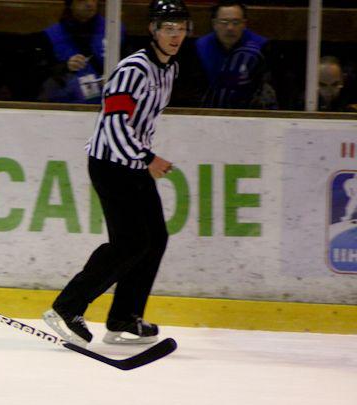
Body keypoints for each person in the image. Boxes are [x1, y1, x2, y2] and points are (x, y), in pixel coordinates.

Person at [43, 0, 190, 346]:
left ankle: (124, 316)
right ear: (153, 30)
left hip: (133, 164)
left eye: (181, 29)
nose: (175, 35)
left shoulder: (170, 69)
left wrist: (142, 158)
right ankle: (67, 307)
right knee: (130, 242)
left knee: (154, 238)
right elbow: (114, 123)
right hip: (110, 164)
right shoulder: (133, 69)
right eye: (168, 28)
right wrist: (148, 157)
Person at [39, 0, 125, 104]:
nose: (90, 4)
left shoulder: (114, 29)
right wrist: (65, 67)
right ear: (70, 4)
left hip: (108, 101)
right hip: (65, 104)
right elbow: (42, 75)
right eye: (82, 0)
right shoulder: (50, 35)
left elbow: (128, 65)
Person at [195, 0, 276, 109]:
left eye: (236, 22)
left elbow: (266, 92)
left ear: (244, 24)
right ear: (214, 24)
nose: (230, 28)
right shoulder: (200, 47)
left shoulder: (260, 48)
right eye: (224, 22)